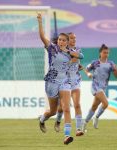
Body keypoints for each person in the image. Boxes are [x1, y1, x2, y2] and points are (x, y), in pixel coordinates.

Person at [37, 13, 82, 145]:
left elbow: (81, 56)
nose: (61, 42)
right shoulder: (52, 48)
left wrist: (68, 53)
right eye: (60, 40)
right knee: (52, 111)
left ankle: (67, 136)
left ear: (67, 42)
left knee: (66, 108)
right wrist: (40, 22)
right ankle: (42, 119)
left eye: (64, 40)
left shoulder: (70, 52)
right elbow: (42, 37)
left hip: (64, 82)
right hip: (51, 82)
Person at [82, 44, 117, 131]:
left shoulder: (111, 64)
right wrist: (88, 74)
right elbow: (86, 69)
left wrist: (116, 70)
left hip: (103, 88)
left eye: (107, 53)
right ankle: (96, 117)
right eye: (104, 52)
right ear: (100, 53)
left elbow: (116, 76)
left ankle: (85, 123)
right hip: (95, 87)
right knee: (106, 103)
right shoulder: (95, 63)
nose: (106, 54)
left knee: (94, 107)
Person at [54, 32, 84, 136]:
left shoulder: (77, 49)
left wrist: (74, 64)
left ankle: (79, 129)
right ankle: (58, 121)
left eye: (75, 38)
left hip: (75, 81)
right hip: (64, 81)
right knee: (62, 108)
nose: (74, 40)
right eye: (71, 38)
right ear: (67, 40)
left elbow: (75, 59)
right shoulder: (59, 52)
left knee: (77, 104)